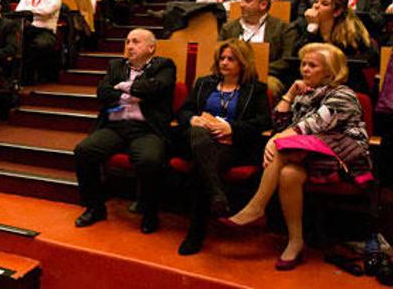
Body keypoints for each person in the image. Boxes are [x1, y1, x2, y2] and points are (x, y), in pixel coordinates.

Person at [224, 43, 372, 271]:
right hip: (305, 156)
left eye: (312, 65)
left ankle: (256, 206)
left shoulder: (343, 94)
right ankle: (295, 241)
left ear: (330, 71)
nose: (305, 69)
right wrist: (290, 94)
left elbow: (314, 124)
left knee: (283, 148)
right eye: (303, 64)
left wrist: (276, 140)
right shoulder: (305, 94)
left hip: (343, 157)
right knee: (288, 173)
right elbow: (281, 124)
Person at [73, 29, 175, 233]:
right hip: (116, 126)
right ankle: (95, 207)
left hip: (147, 129)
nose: (129, 46)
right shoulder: (115, 65)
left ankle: (149, 212)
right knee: (84, 151)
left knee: (149, 160)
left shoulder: (164, 65)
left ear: (151, 48)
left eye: (135, 42)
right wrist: (134, 93)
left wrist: (123, 88)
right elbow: (102, 92)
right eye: (127, 41)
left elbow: (157, 88)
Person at [176, 40, 270, 255]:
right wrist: (193, 120)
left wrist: (231, 128)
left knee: (202, 170)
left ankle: (195, 234)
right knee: (199, 134)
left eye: (231, 59)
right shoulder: (203, 84)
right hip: (196, 141)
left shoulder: (255, 89)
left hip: (230, 145)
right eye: (222, 58)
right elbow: (184, 111)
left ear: (243, 63)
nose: (224, 63)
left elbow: (263, 122)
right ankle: (217, 194)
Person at [292, 0, 376, 94]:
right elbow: (296, 55)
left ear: (337, 11)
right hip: (314, 84)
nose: (316, 6)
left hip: (346, 85)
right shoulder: (307, 26)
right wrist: (312, 28)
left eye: (324, 4)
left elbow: (371, 57)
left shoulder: (352, 32)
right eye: (316, 1)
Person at [219, 0, 295, 96]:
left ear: (263, 5)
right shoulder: (228, 28)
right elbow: (218, 54)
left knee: (269, 86)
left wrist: (259, 70)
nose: (241, 5)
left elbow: (287, 60)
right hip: (231, 74)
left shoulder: (283, 28)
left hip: (267, 75)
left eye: (248, 1)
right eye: (241, 0)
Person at [15, 0, 62, 84]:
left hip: (46, 31)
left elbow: (48, 10)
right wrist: (36, 11)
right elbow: (18, 12)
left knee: (36, 44)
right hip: (27, 30)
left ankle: (30, 78)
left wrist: (29, 12)